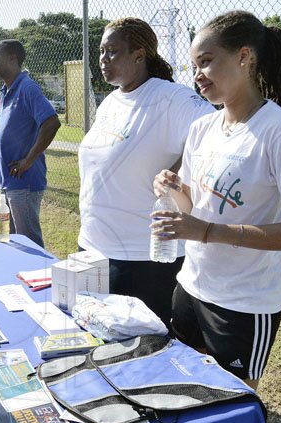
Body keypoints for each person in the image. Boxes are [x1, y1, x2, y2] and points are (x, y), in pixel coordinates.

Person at [152, 11, 281, 390]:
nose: (197, 74)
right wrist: (174, 189)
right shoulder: (202, 128)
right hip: (191, 286)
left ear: (244, 57)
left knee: (230, 404)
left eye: (207, 61)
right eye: (194, 65)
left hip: (243, 303)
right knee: (184, 391)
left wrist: (208, 231)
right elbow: (195, 209)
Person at [77, 17, 214, 327]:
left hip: (141, 260)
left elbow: (214, 134)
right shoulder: (111, 102)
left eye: (112, 51)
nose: (103, 59)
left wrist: (174, 177)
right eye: (100, 51)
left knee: (138, 356)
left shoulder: (170, 98)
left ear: (139, 54)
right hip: (93, 249)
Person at [0, 39, 61, 248]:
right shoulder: (7, 91)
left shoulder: (27, 88)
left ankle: (40, 280)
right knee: (9, 240)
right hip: (8, 182)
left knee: (28, 243)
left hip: (23, 183)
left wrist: (28, 161)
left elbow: (51, 122)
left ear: (12, 59)